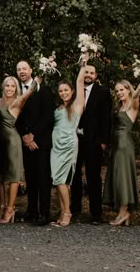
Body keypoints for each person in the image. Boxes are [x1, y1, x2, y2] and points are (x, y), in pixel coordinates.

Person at [70, 64, 112, 224]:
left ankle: (96, 213)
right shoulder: (74, 90)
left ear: (95, 75)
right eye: (86, 72)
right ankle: (75, 210)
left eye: (91, 73)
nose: (88, 75)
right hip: (75, 139)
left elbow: (106, 118)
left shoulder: (103, 92)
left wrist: (104, 141)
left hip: (94, 141)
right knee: (74, 175)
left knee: (93, 176)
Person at [15, 59, 54, 225]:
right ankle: (32, 210)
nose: (22, 72)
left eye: (24, 68)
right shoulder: (16, 91)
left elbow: (48, 117)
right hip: (25, 142)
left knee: (43, 177)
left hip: (41, 141)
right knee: (30, 177)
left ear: (31, 70)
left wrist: (33, 135)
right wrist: (24, 136)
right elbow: (15, 117)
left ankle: (44, 213)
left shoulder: (43, 90)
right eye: (19, 69)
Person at [103, 80, 140, 226]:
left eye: (122, 89)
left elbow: (135, 98)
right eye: (117, 91)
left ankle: (123, 212)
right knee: (117, 177)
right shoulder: (119, 106)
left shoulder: (132, 106)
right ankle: (123, 213)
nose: (119, 93)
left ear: (129, 90)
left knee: (123, 178)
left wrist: (139, 88)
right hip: (116, 146)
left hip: (124, 146)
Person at [0, 75, 39, 224]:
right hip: (0, 143)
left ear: (16, 88)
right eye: (7, 86)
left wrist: (38, 78)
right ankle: (2, 206)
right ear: (3, 87)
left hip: (13, 142)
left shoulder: (17, 102)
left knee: (14, 176)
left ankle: (10, 209)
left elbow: (28, 93)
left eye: (12, 86)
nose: (9, 88)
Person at [50, 67, 87, 227]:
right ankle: (63, 210)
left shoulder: (76, 106)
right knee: (58, 180)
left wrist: (84, 63)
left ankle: (67, 212)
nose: (63, 93)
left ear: (72, 91)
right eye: (60, 91)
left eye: (66, 90)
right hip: (55, 146)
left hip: (68, 145)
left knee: (60, 179)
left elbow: (80, 81)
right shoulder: (58, 108)